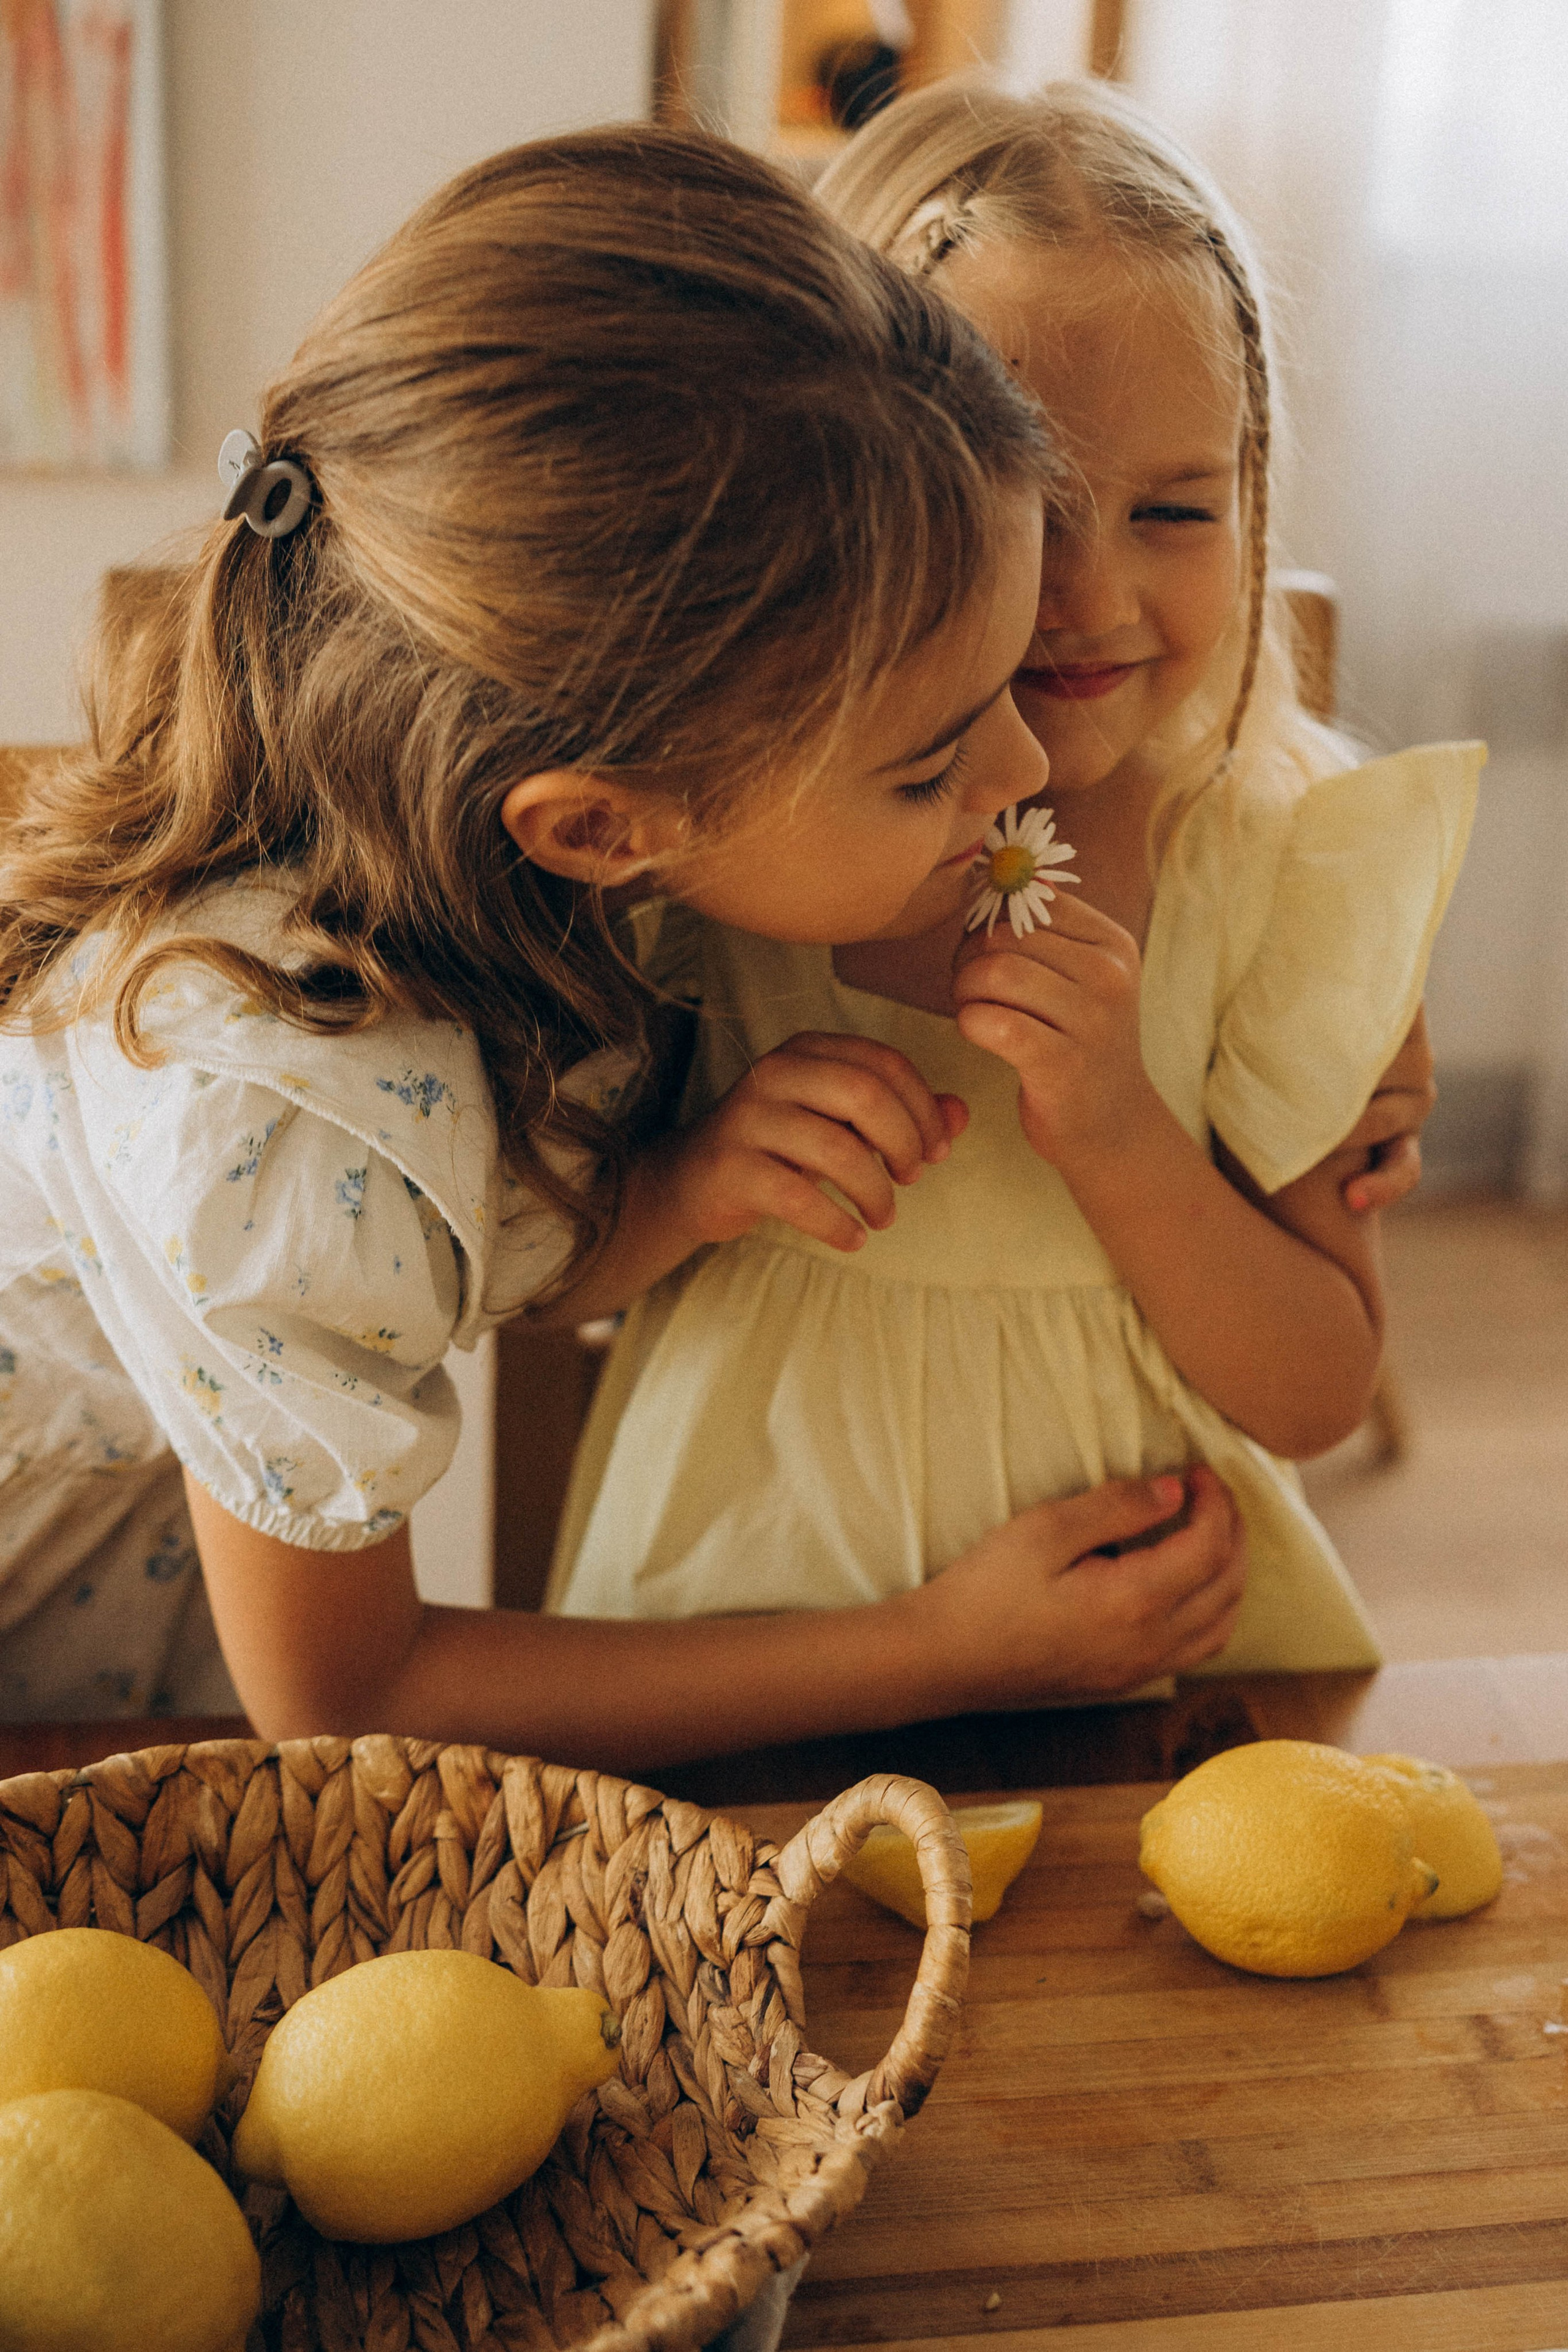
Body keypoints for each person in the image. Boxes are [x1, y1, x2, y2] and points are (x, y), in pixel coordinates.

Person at [0, 125, 1256, 1762]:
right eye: (934, 759)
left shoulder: (476, 838)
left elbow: (439, 1245)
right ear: (601, 827)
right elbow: (347, 1698)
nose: (1023, 776)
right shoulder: (279, 1117)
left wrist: (676, 1195)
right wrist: (940, 1649)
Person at [545, 81, 1481, 1678]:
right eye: (1024, 513)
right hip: (743, 1652)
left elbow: (1318, 1389)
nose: (1096, 595)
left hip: (1162, 1661)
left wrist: (1121, 1127)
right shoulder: (700, 848)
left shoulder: (1275, 856)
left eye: (1177, 508)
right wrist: (689, 1186)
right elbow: (522, 1283)